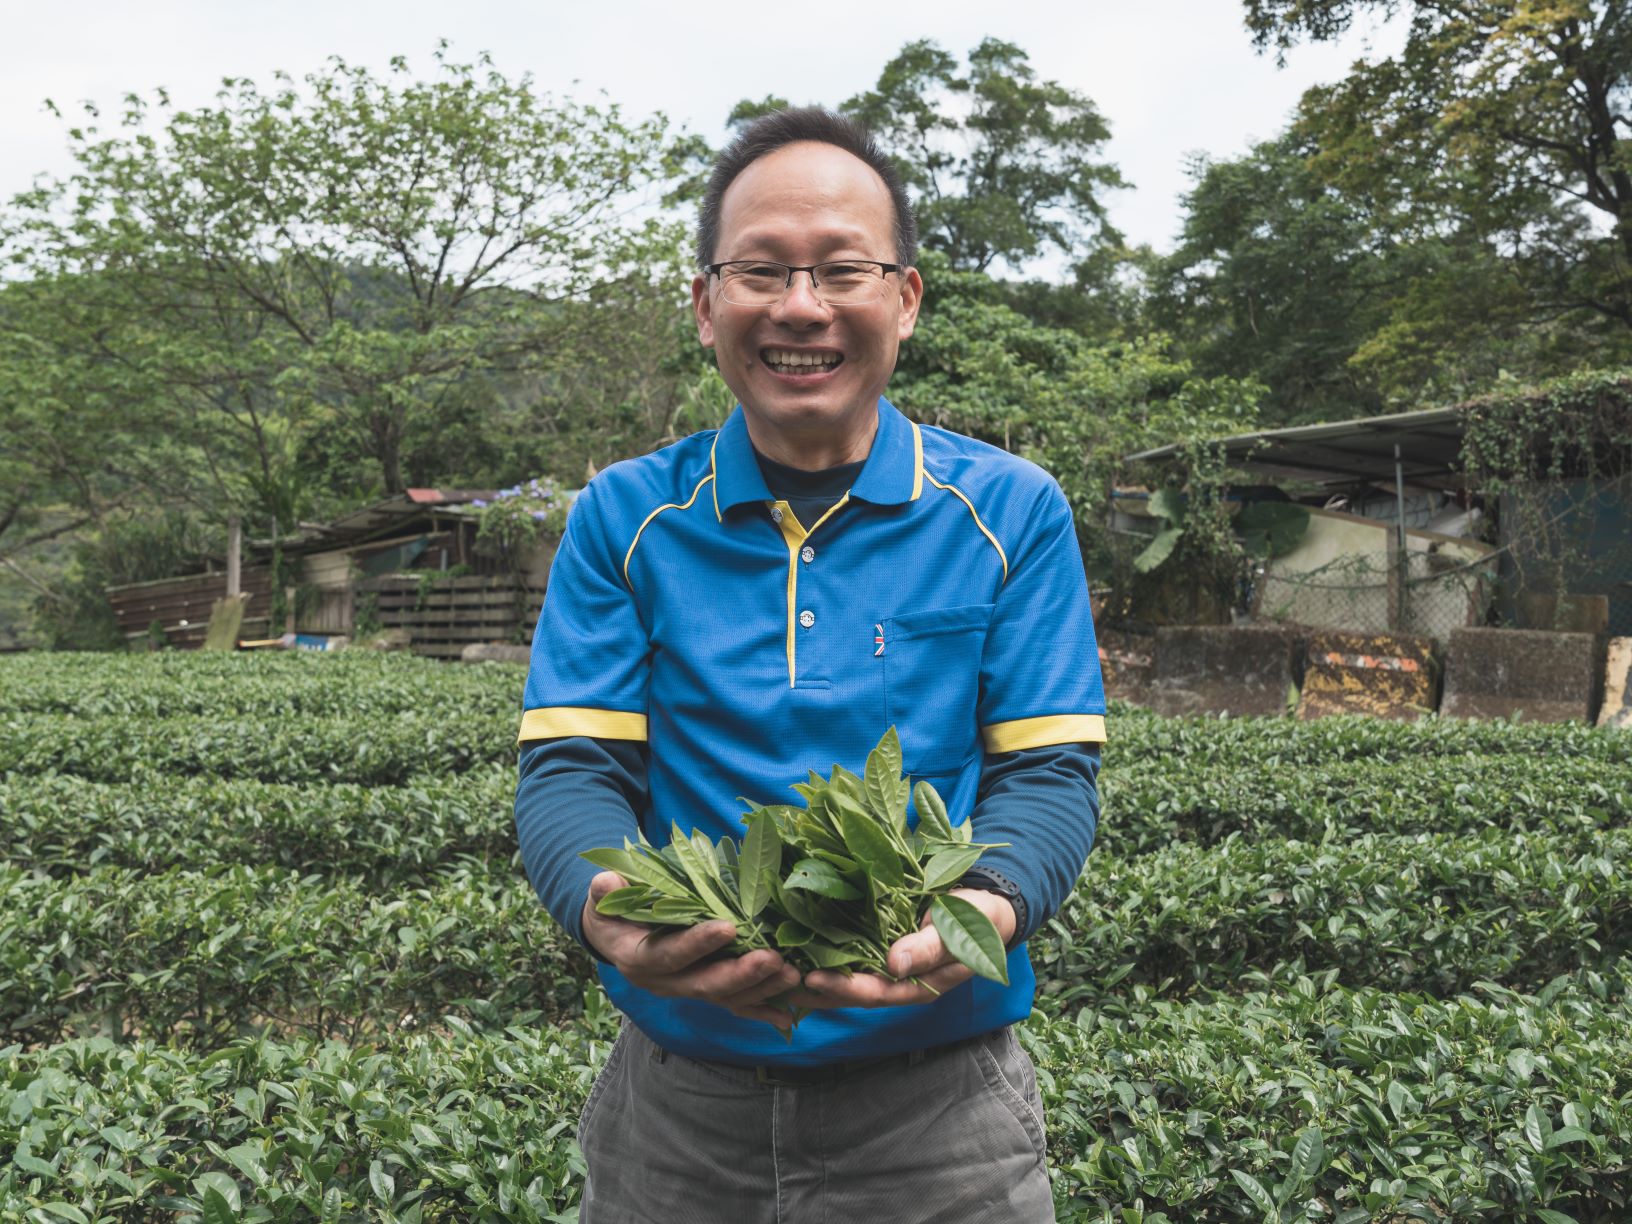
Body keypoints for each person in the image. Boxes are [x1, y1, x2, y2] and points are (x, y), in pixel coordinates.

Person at [514, 107, 1105, 1223]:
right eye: (760, 271)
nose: (799, 306)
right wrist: (607, 911)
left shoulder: (1009, 511)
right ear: (704, 304)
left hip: (944, 1123)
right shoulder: (626, 517)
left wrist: (982, 908)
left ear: (905, 300)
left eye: (842, 270)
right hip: (679, 1119)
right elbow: (572, 771)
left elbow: (1049, 777)